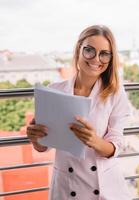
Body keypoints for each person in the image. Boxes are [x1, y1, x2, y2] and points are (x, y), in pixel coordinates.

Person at [26, 25, 132, 200]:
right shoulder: (54, 90)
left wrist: (94, 141)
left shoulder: (115, 93)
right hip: (67, 186)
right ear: (78, 50)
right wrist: (36, 139)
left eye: (104, 54)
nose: (96, 59)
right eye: (89, 50)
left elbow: (116, 145)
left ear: (110, 58)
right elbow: (44, 145)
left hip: (105, 187)